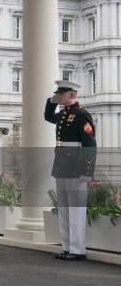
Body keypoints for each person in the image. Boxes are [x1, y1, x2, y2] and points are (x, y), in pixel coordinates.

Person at [44, 80, 97, 261]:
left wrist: (87, 170)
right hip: (61, 166)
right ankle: (67, 247)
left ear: (72, 95)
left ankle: (78, 249)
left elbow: (89, 145)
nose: (58, 96)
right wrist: (52, 100)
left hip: (76, 167)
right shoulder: (63, 114)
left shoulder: (82, 115)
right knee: (64, 208)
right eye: (57, 93)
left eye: (61, 94)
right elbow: (47, 116)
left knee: (76, 209)